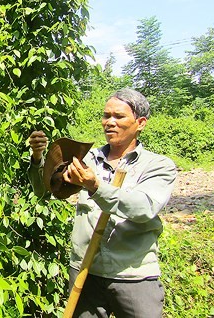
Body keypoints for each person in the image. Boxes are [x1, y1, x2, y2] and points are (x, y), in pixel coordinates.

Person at [28, 88, 177, 318]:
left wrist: (95, 186)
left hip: (133, 275)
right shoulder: (86, 160)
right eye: (106, 116)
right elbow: (45, 191)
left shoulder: (158, 166)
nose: (110, 122)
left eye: (119, 117)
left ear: (141, 123)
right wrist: (39, 158)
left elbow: (143, 207)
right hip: (85, 273)